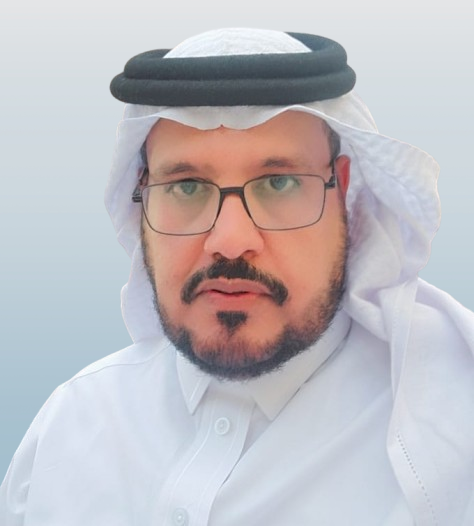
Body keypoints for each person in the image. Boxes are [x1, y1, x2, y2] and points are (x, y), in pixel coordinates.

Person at [1, 27, 473, 526]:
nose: (229, 240)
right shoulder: (70, 426)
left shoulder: (455, 428)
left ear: (343, 193)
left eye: (279, 183)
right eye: (186, 187)